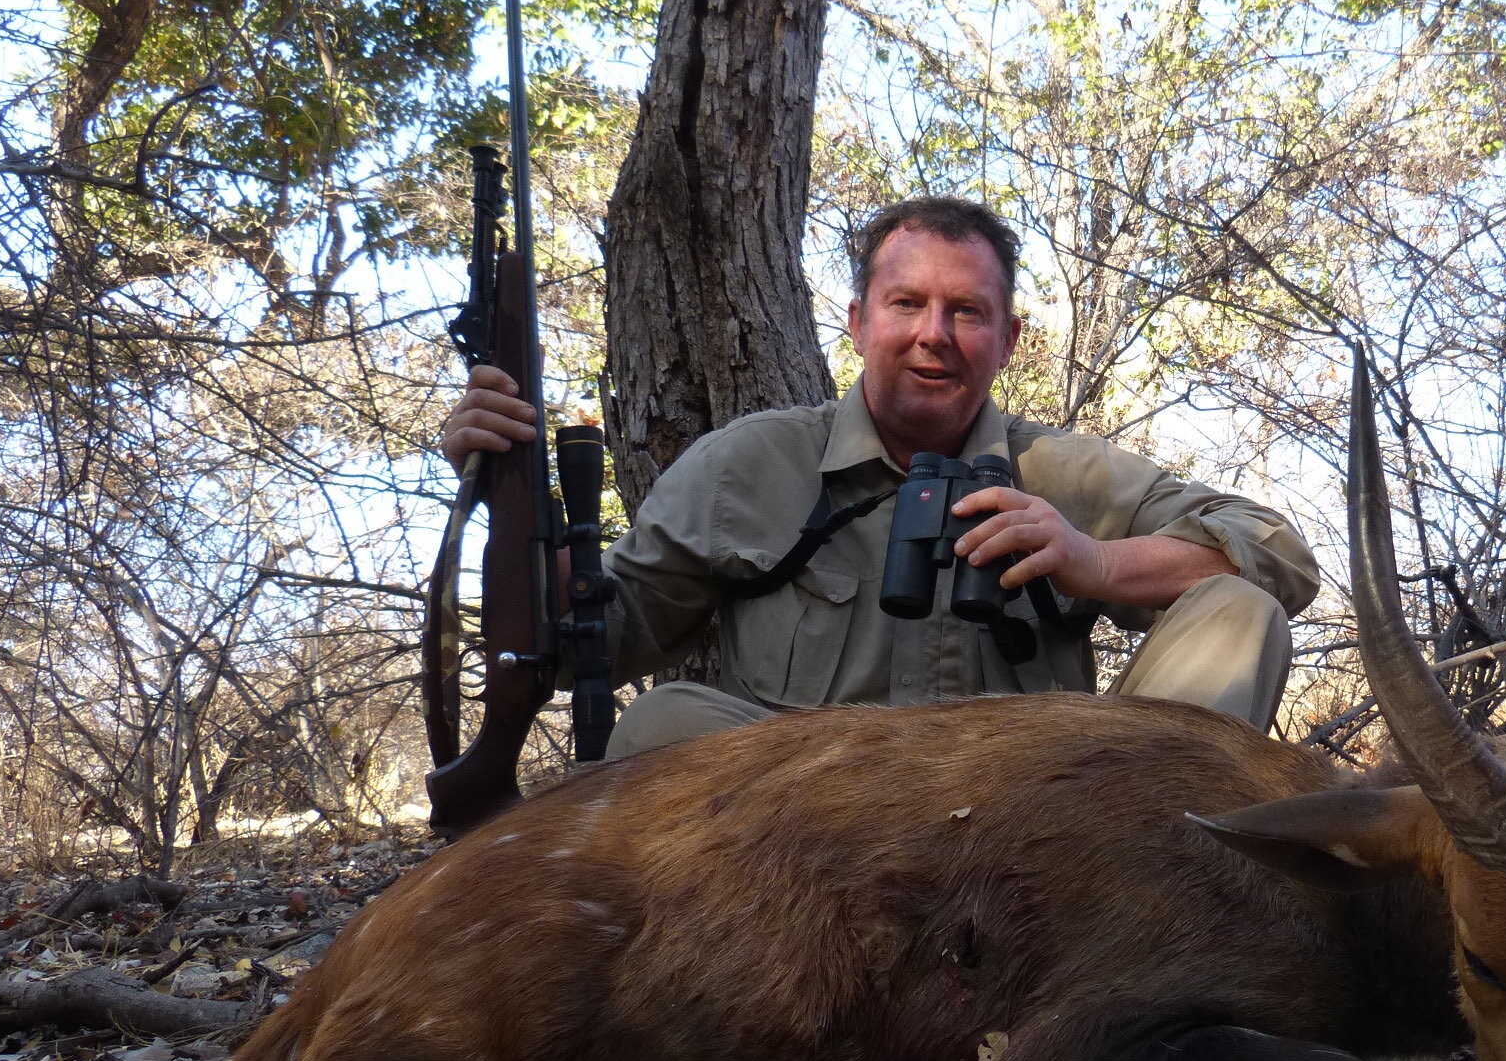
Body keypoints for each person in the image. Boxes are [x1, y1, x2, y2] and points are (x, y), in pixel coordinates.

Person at [440, 196, 1319, 758]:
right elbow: (592, 632)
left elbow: (1279, 557)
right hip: (812, 841)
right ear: (859, 323)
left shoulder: (1060, 472)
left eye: (967, 311)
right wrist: (502, 499)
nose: (934, 333)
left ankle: (1130, 956)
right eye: (907, 304)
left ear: (1007, 342)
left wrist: (1094, 561)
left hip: (1043, 838)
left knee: (1238, 608)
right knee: (659, 730)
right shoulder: (750, 465)